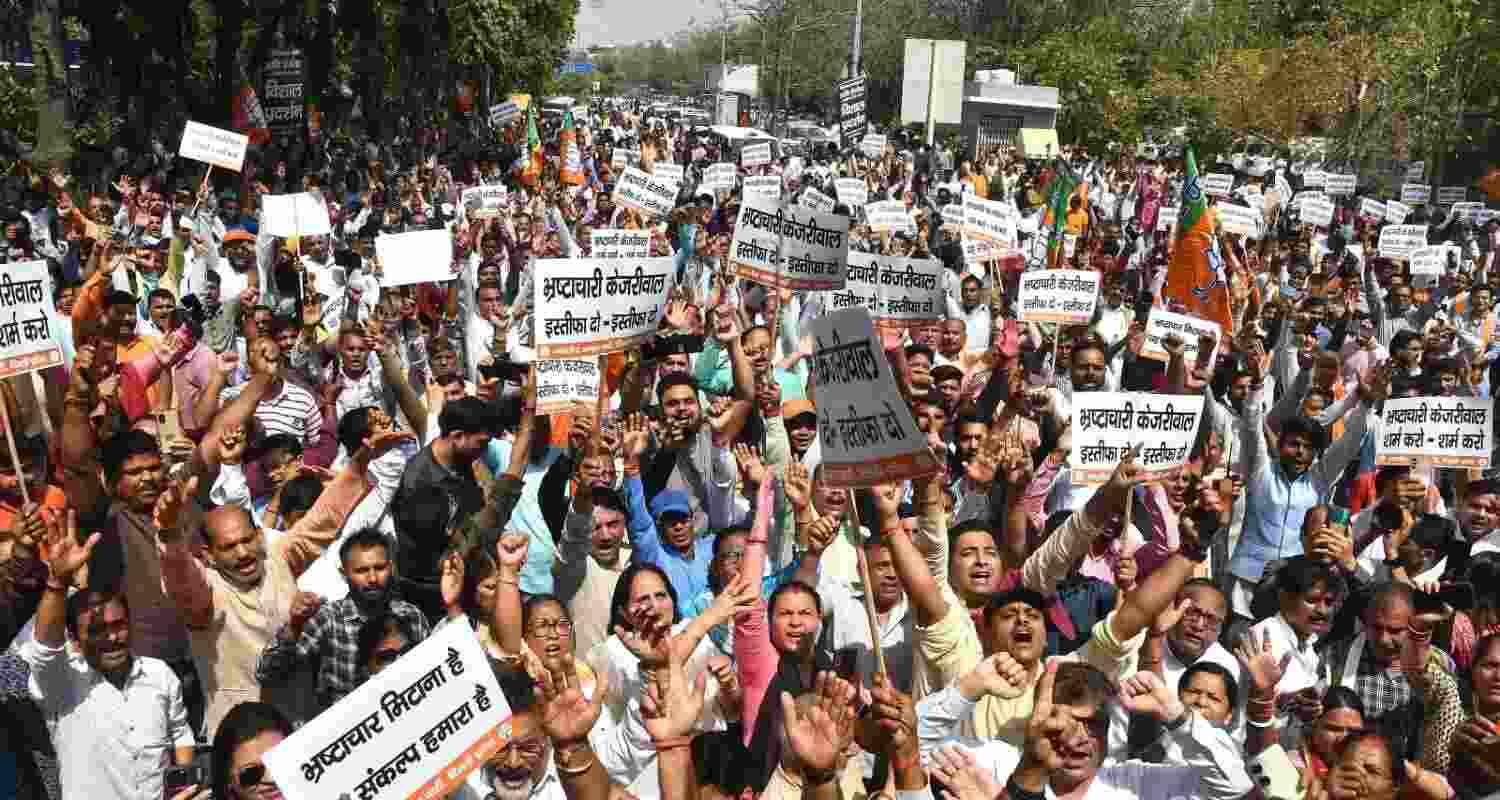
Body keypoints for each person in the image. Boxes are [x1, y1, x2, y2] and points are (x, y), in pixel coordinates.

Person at [20, 508, 196, 800]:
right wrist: (58, 583)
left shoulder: (159, 674)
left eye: (118, 625)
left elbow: (180, 733)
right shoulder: (61, 684)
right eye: (97, 630)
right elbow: (43, 651)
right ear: (74, 641)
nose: (112, 638)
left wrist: (185, 784)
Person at [255, 527, 431, 711]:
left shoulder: (411, 616)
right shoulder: (329, 619)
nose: (372, 578)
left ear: (391, 567)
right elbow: (268, 674)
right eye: (362, 571)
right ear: (345, 573)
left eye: (379, 568)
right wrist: (294, 626)